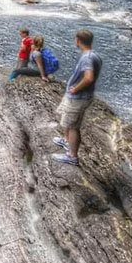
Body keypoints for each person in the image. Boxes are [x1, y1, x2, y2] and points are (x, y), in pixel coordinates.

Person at [52, 29, 102, 166]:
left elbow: (89, 78)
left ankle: (72, 156)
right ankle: (66, 141)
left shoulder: (87, 58)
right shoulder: (94, 55)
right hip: (78, 96)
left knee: (73, 126)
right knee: (69, 122)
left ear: (78, 40)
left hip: (79, 97)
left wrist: (76, 89)